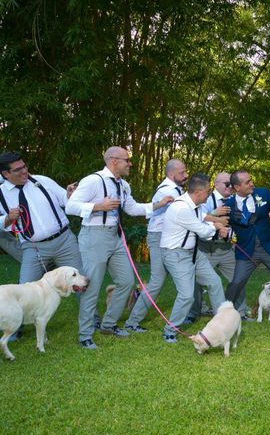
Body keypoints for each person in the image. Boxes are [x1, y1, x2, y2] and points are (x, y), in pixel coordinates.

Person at [66, 146, 173, 349]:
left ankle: (109, 325)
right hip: (94, 237)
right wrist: (98, 206)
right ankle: (85, 335)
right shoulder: (93, 181)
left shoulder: (123, 185)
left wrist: (159, 205)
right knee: (92, 286)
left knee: (126, 281)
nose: (129, 164)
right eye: (127, 160)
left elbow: (132, 209)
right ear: (114, 161)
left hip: (114, 237)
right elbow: (70, 206)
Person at [0, 151, 83, 341]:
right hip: (32, 247)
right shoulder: (1, 194)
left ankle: (90, 320)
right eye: (18, 169)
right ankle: (14, 328)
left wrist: (70, 194)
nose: (24, 171)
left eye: (24, 166)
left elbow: (65, 200)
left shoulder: (41, 181)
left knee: (80, 281)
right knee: (22, 288)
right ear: (6, 174)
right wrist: (7, 218)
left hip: (64, 241)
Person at [159, 173, 228, 343]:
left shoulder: (195, 205)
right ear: (198, 192)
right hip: (176, 254)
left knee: (215, 282)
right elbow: (202, 231)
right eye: (208, 191)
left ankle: (222, 324)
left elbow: (202, 224)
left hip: (194, 253)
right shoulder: (181, 208)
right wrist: (217, 227)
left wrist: (214, 224)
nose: (209, 194)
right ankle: (170, 330)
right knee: (186, 295)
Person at [124, 159, 188, 332]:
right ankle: (132, 321)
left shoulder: (175, 188)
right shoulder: (168, 190)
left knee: (182, 276)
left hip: (169, 236)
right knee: (157, 281)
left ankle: (189, 312)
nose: (186, 175)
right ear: (172, 174)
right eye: (182, 173)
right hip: (160, 237)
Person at [224, 169, 270, 325]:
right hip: (246, 251)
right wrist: (222, 228)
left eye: (251, 180)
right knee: (236, 283)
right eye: (247, 182)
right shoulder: (228, 205)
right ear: (237, 187)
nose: (252, 183)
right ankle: (224, 313)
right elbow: (221, 225)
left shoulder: (263, 193)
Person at [186, 171, 239, 322]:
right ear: (216, 184)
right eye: (227, 184)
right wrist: (215, 214)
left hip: (227, 248)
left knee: (237, 279)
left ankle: (239, 312)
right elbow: (198, 217)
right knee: (196, 281)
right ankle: (193, 313)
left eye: (232, 184)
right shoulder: (206, 198)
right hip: (206, 248)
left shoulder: (235, 200)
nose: (230, 187)